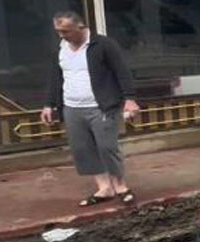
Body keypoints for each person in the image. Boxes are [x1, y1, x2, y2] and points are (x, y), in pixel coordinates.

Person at [40, 12, 140, 207]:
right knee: (82, 149)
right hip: (72, 107)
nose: (62, 35)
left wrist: (130, 99)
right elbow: (55, 78)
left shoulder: (103, 45)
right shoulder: (60, 49)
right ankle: (104, 188)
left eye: (66, 31)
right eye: (58, 31)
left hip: (101, 106)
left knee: (107, 147)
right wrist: (48, 104)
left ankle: (120, 186)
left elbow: (122, 71)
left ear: (80, 26)